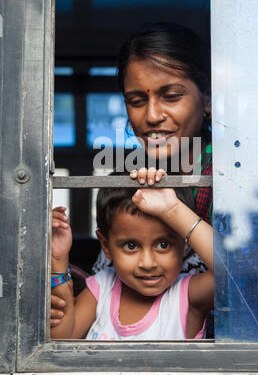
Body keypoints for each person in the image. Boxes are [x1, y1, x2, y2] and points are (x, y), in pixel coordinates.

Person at [93, 22, 212, 275]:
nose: (152, 115)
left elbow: (246, 280)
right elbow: (105, 283)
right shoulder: (134, 180)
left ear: (208, 99)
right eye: (137, 101)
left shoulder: (232, 177)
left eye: (171, 96)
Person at [50, 184, 213, 339]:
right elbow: (62, 337)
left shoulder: (188, 296)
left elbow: (233, 272)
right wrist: (58, 261)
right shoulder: (103, 287)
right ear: (106, 246)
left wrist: (173, 209)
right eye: (131, 246)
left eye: (163, 245)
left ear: (185, 243)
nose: (148, 263)